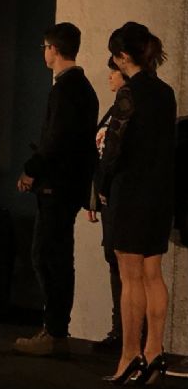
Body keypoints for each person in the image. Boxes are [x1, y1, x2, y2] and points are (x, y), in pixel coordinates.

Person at [96, 22, 175, 384]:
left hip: (131, 193)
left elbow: (114, 148)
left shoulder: (129, 92)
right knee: (153, 275)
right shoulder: (165, 92)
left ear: (123, 56)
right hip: (160, 193)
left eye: (114, 56)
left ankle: (130, 355)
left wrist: (102, 184)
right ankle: (155, 352)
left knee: (130, 278)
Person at [14, 22, 99, 356]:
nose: (44, 54)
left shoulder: (65, 89)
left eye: (45, 47)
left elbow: (56, 140)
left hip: (57, 185)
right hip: (69, 185)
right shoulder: (83, 88)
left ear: (53, 48)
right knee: (58, 256)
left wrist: (31, 170)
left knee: (47, 256)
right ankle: (56, 331)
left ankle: (54, 332)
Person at [87, 57, 128, 351]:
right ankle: (119, 330)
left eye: (114, 70)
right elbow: (101, 156)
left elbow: (115, 154)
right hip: (108, 199)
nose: (109, 76)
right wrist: (94, 196)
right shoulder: (115, 108)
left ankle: (127, 332)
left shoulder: (128, 107)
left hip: (121, 198)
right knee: (114, 262)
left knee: (126, 265)